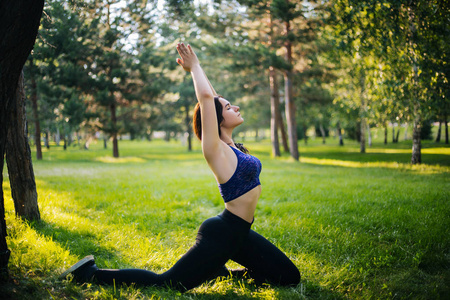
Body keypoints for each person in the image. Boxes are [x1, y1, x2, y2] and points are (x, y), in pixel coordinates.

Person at [60, 43, 300, 292]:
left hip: (240, 233)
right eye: (229, 108)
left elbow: (213, 97)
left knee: (290, 277)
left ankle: (218, 272)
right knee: (168, 283)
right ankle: (89, 273)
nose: (236, 108)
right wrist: (194, 67)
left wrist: (198, 69)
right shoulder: (215, 150)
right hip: (223, 233)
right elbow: (207, 99)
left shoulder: (232, 146)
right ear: (217, 120)